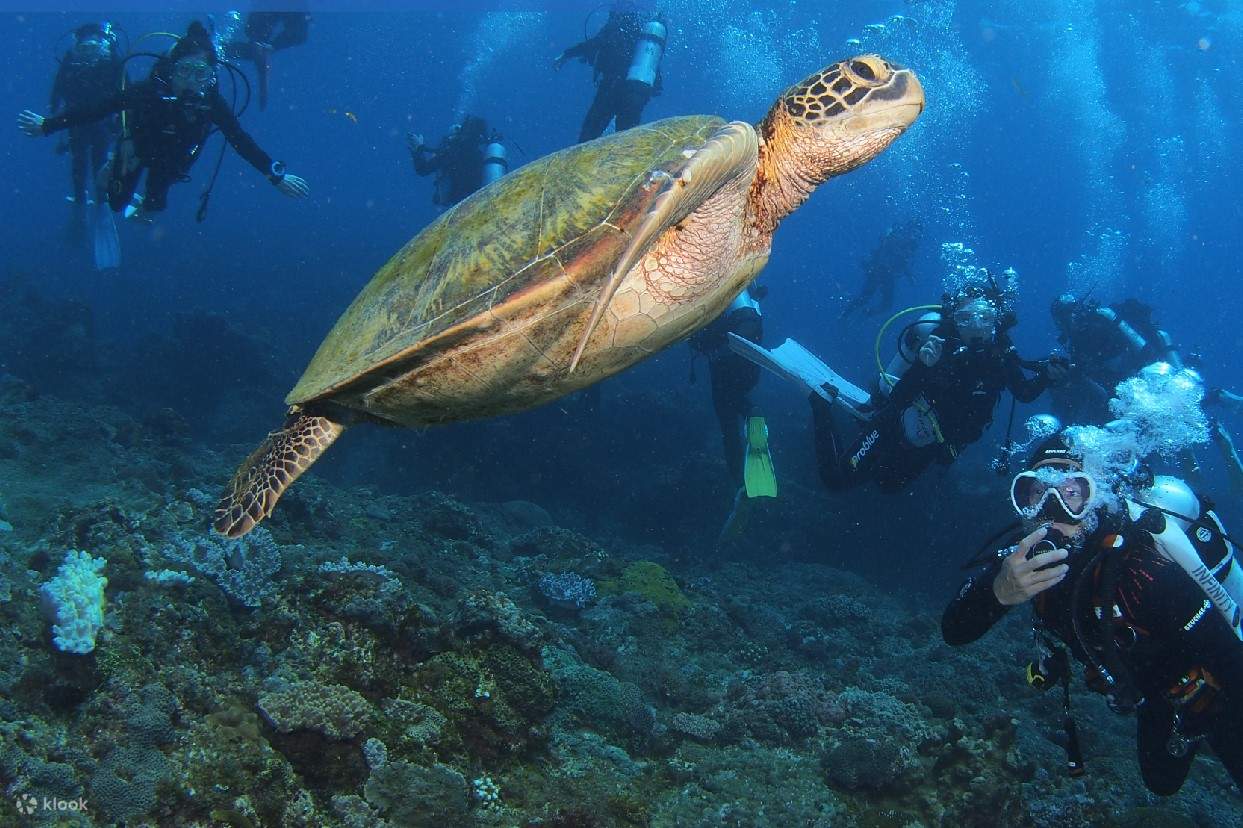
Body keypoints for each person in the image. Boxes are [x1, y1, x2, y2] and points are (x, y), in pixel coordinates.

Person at [943, 434, 1243, 794]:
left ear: (1097, 498)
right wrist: (999, 591)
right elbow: (954, 630)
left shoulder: (1147, 573)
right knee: (1162, 781)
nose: (1051, 511)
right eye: (1037, 493)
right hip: (1146, 689)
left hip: (1212, 694)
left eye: (1071, 492)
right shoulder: (1023, 562)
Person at [18, 21, 309, 220]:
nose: (191, 82)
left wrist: (275, 175)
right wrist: (48, 125)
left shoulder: (210, 102)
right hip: (136, 149)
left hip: (172, 161)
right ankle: (111, 164)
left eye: (201, 74)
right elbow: (96, 109)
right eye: (184, 71)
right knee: (116, 203)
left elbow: (239, 139)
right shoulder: (146, 92)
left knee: (153, 208)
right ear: (171, 70)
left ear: (211, 76)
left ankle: (144, 203)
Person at [810, 285, 1066, 492]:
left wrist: (1046, 377)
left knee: (888, 485)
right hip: (899, 419)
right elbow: (899, 397)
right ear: (955, 319)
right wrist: (923, 366)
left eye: (985, 319)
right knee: (836, 479)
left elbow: (1023, 393)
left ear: (996, 321)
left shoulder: (1001, 351)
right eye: (966, 319)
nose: (976, 328)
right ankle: (820, 404)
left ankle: (866, 429)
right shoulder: (939, 343)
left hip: (936, 440)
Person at [689, 285, 774, 496]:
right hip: (750, 355)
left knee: (728, 427)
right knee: (736, 395)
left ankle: (739, 482)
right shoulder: (745, 290)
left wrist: (694, 338)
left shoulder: (717, 290)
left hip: (727, 360)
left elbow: (703, 339)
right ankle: (750, 410)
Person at [553, 5, 666, 142]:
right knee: (627, 140)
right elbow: (652, 65)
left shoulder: (615, 25)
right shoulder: (640, 31)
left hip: (612, 87)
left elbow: (595, 44)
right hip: (637, 92)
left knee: (589, 135)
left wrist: (567, 54)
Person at [49, 22, 124, 211]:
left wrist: (122, 121)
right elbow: (58, 86)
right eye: (84, 48)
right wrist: (54, 105)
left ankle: (101, 200)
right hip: (77, 122)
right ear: (77, 49)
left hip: (102, 123)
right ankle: (80, 198)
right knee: (79, 160)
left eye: (93, 48)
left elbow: (126, 91)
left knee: (100, 160)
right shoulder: (71, 63)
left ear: (102, 47)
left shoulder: (112, 63)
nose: (89, 52)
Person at [407, 116, 506, 208]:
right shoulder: (480, 153)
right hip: (485, 199)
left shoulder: (451, 153)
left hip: (461, 204)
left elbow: (422, 170)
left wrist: (417, 150)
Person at [840, 218, 923, 319]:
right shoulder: (897, 237)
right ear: (909, 230)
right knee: (865, 298)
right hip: (878, 271)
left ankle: (865, 314)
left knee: (886, 305)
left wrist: (909, 275)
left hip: (888, 275)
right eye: (914, 232)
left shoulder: (911, 245)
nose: (915, 235)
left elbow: (903, 262)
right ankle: (845, 315)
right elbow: (887, 252)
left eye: (918, 233)